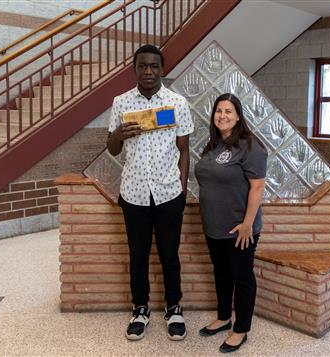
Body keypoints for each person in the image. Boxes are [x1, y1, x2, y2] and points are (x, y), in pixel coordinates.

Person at [106, 44, 193, 341]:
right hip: (134, 193)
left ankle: (173, 308)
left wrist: (181, 190)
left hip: (169, 193)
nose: (148, 71)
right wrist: (118, 135)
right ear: (134, 69)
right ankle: (140, 308)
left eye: (154, 66)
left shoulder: (177, 102)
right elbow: (113, 148)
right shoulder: (121, 103)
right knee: (138, 255)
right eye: (142, 66)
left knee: (170, 255)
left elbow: (184, 150)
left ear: (162, 69)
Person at [195, 93, 267, 353]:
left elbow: (257, 188)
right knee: (221, 273)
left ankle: (241, 329)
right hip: (214, 227)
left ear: (238, 116)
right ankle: (224, 317)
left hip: (239, 229)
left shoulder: (249, 146)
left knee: (242, 277)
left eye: (228, 111)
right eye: (218, 111)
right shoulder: (213, 145)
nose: (222, 115)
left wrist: (248, 223)